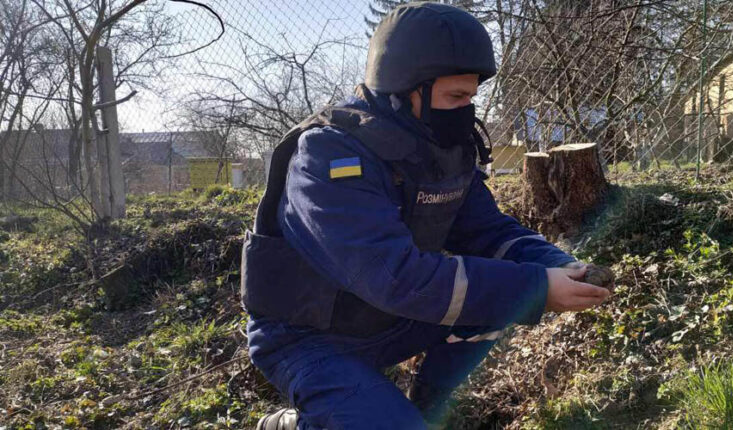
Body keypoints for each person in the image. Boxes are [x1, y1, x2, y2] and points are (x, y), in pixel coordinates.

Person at [242, 3, 612, 429]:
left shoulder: (440, 146)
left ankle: (426, 411)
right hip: (311, 337)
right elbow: (395, 277)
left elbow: (488, 231)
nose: (467, 110)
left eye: (471, 97)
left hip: (390, 319)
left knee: (499, 300)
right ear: (405, 88)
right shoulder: (329, 157)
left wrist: (553, 265)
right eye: (456, 97)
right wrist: (535, 287)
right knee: (509, 292)